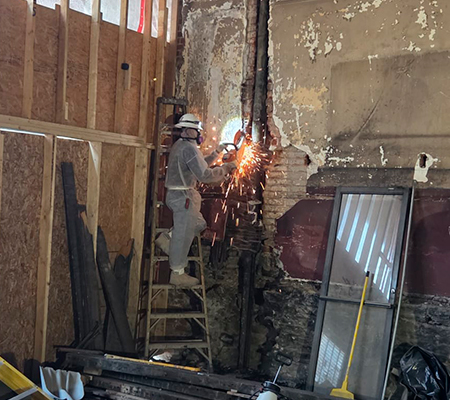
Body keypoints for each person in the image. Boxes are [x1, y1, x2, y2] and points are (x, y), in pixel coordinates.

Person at [156, 114, 237, 286]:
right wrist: (225, 168)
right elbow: (205, 175)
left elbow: (199, 164)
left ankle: (167, 237)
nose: (199, 134)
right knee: (183, 233)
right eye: (196, 131)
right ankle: (177, 272)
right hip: (182, 197)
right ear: (188, 131)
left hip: (180, 195)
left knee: (199, 224)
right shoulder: (188, 149)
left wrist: (216, 152)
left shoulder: (183, 146)